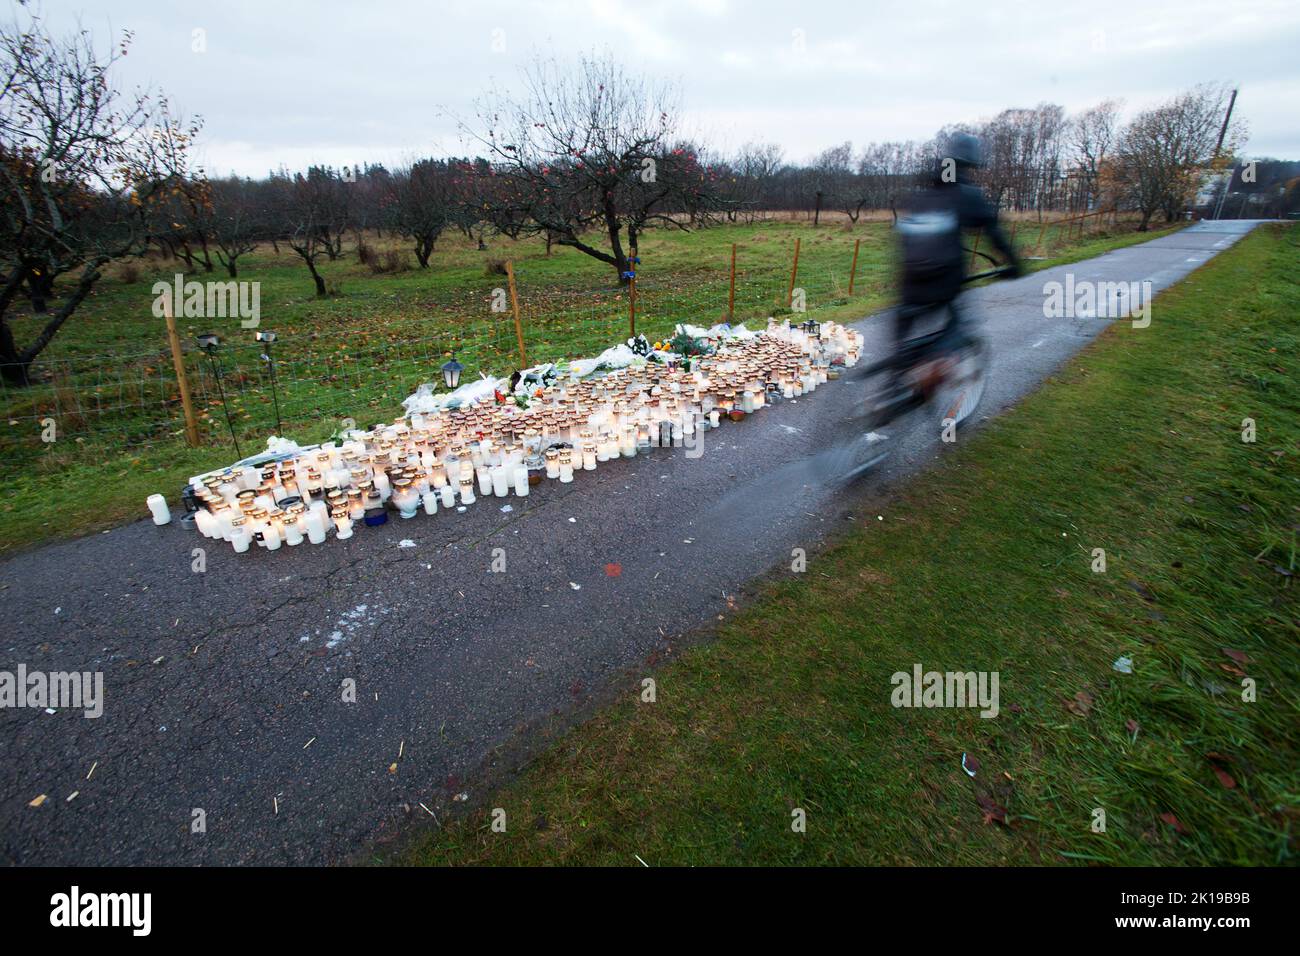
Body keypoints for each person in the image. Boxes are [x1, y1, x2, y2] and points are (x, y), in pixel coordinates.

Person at [888, 132, 1023, 398]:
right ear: (971, 164)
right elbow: (995, 234)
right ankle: (936, 366)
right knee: (959, 326)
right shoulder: (968, 195)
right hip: (944, 282)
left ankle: (891, 382)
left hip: (908, 281)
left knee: (902, 341)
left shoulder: (923, 195)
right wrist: (1013, 264)